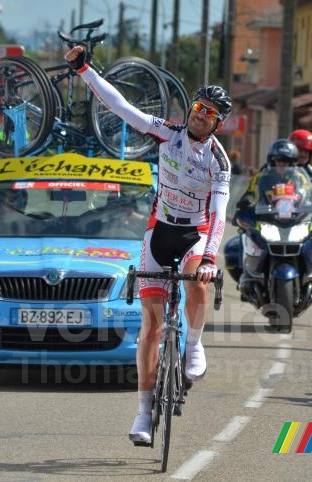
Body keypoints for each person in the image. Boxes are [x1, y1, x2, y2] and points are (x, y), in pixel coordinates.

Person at [65, 44, 231, 445]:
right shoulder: (168, 132)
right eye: (197, 105)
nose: (199, 114)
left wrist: (209, 257)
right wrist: (85, 68)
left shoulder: (219, 163)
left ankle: (193, 346)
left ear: (218, 123)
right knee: (150, 329)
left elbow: (220, 215)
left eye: (209, 112)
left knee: (196, 280)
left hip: (195, 233)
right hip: (159, 232)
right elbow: (121, 107)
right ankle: (143, 413)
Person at [289, 129, 312, 199]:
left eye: (306, 152)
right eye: (300, 150)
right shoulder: (282, 169)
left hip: (307, 208)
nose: (303, 154)